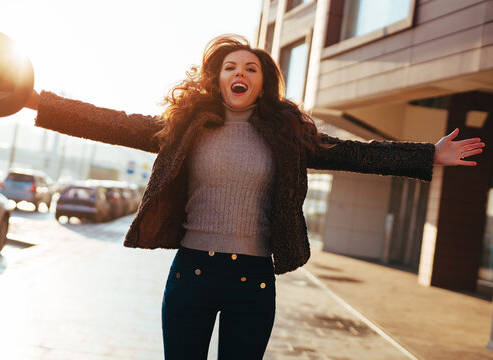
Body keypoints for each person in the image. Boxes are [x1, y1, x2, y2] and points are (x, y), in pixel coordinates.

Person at [24, 34, 484, 359]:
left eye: (251, 68)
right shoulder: (184, 127)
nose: (239, 73)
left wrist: (428, 155)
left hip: (253, 279)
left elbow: (354, 153)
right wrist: (36, 101)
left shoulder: (288, 136)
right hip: (192, 273)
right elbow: (112, 121)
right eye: (231, 67)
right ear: (218, 78)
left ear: (262, 82)